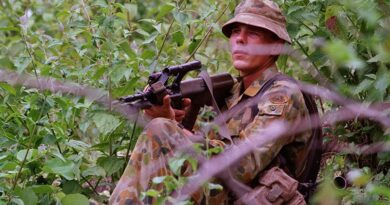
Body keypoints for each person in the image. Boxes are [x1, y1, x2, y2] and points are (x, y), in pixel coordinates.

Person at [110, 0, 316, 204]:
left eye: (253, 33)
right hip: (220, 191)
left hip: (253, 196)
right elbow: (195, 150)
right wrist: (171, 120)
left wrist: (175, 133)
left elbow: (243, 166)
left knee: (160, 129)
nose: (240, 39)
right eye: (236, 31)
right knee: (160, 129)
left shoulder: (283, 94)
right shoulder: (232, 93)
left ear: (275, 45)